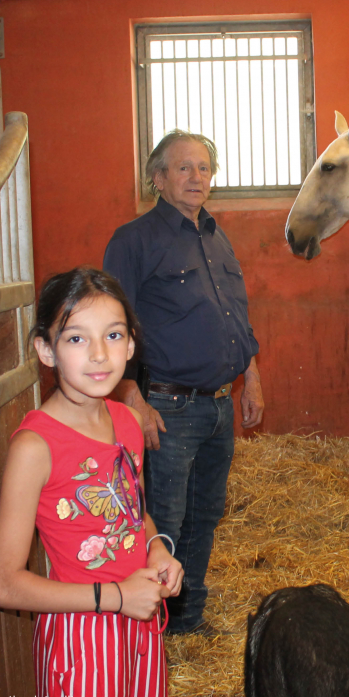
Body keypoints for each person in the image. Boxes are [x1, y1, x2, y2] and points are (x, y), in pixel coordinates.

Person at [0, 266, 183, 697]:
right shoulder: (34, 447)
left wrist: (156, 550)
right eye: (76, 339)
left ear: (132, 344)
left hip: (140, 620)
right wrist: (115, 597)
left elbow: (134, 515)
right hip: (82, 635)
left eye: (113, 335)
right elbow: (3, 583)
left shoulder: (128, 423)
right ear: (45, 350)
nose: (99, 355)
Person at [103, 130, 264, 635]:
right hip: (167, 407)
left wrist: (251, 377)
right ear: (158, 179)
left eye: (204, 168)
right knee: (163, 523)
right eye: (184, 168)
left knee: (205, 515)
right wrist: (131, 395)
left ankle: (186, 618)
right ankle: (149, 630)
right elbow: (113, 323)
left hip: (218, 406)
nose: (197, 178)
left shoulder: (216, 236)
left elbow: (236, 313)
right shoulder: (133, 241)